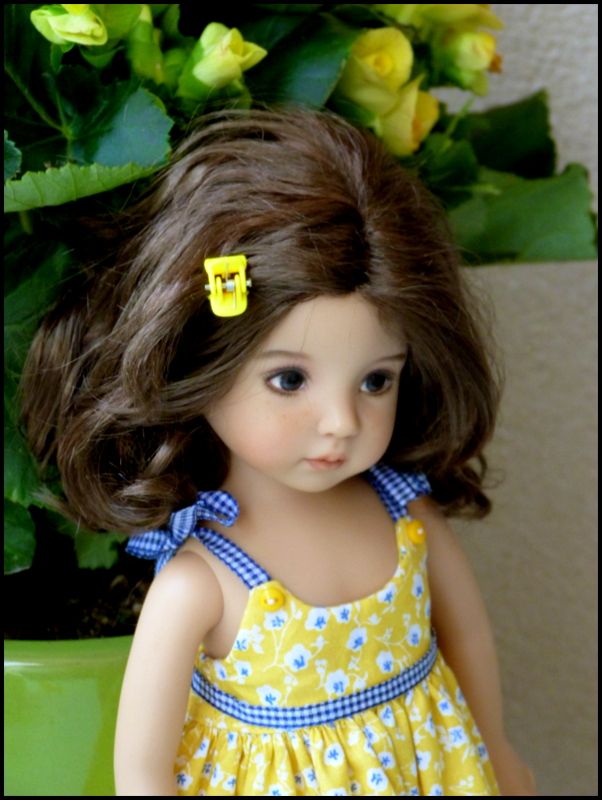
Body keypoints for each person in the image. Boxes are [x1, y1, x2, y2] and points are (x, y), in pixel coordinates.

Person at [21, 108, 536, 796]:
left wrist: (496, 745)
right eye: (289, 380)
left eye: (376, 381)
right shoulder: (199, 583)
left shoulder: (404, 513)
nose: (340, 423)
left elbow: (467, 639)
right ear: (200, 365)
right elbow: (141, 770)